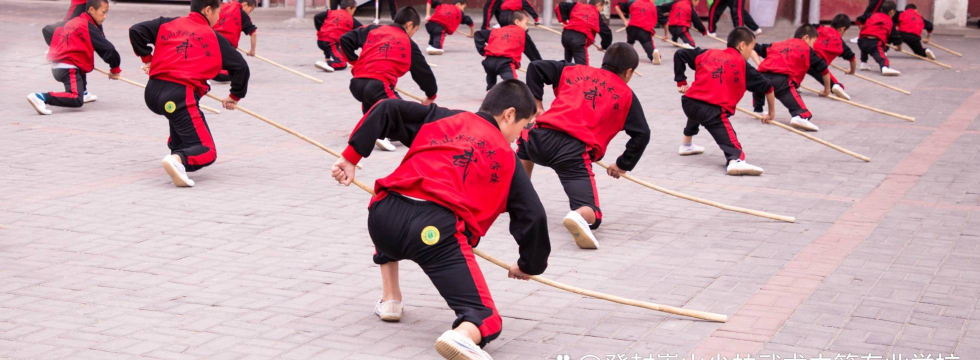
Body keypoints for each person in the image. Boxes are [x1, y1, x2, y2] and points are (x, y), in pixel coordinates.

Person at [330, 80, 550, 360]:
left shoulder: (442, 117)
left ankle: (391, 300)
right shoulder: (507, 158)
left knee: (395, 219)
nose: (520, 135)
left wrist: (351, 157)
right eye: (524, 125)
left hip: (382, 219)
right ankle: (462, 336)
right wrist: (529, 264)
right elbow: (534, 214)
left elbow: (386, 108)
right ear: (509, 115)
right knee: (485, 319)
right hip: (433, 234)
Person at [519, 43, 650, 249]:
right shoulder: (626, 96)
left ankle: (518, 192)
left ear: (604, 61)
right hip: (573, 154)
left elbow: (535, 66)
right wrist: (623, 164)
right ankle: (580, 215)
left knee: (525, 136)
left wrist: (537, 107)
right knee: (592, 214)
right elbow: (642, 134)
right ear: (628, 72)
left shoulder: (573, 70)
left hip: (539, 140)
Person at [129, 0, 251, 187]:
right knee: (207, 150)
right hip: (178, 95)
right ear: (208, 10)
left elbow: (136, 30)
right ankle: (178, 160)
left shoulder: (167, 23)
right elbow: (241, 67)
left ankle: (177, 156)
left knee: (180, 121)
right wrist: (234, 96)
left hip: (153, 93)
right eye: (217, 13)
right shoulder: (213, 37)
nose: (218, 19)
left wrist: (148, 59)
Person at [674, 27, 775, 176]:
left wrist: (681, 82)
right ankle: (735, 160)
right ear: (742, 45)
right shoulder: (743, 65)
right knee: (731, 142)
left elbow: (680, 54)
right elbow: (768, 87)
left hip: (689, 103)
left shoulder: (707, 53)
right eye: (751, 48)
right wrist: (771, 113)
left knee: (698, 107)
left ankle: (686, 144)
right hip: (712, 112)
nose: (751, 52)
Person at [337, 6, 438, 152]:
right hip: (378, 86)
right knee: (403, 112)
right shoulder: (408, 43)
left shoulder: (373, 29)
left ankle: (379, 130)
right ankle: (378, 134)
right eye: (414, 31)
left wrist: (355, 62)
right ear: (409, 25)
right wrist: (431, 94)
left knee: (374, 106)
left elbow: (345, 39)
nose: (413, 35)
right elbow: (423, 74)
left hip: (357, 85)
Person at [29, 0, 121, 116]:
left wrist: (57, 50)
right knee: (76, 98)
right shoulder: (86, 26)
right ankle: (41, 97)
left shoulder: (75, 21)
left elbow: (48, 30)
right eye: (103, 12)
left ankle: (83, 91)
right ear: (91, 10)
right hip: (67, 68)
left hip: (61, 66)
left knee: (83, 64)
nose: (105, 16)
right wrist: (115, 69)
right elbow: (108, 49)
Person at [751, 24, 831, 132]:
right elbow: (824, 70)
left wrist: (759, 64)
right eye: (813, 42)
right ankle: (799, 117)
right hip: (781, 82)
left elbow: (752, 47)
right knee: (801, 111)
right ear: (806, 38)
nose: (813, 46)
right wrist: (827, 90)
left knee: (760, 83)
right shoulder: (807, 50)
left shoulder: (778, 44)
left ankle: (758, 109)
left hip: (761, 77)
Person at [474, 11, 542, 90]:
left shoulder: (497, 30)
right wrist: (541, 67)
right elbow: (533, 53)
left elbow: (478, 34)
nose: (526, 27)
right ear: (517, 22)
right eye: (525, 23)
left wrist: (484, 52)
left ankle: (490, 89)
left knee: (491, 76)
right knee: (513, 84)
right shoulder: (522, 34)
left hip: (488, 62)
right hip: (504, 64)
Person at [811, 14, 857, 100]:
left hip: (805, 55)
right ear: (842, 29)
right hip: (819, 65)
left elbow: (806, 29)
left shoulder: (819, 27)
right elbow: (852, 58)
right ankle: (835, 86)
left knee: (795, 72)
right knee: (835, 84)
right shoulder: (840, 43)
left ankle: (792, 83)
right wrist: (852, 71)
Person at [555, 0, 612, 65]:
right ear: (599, 5)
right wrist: (604, 46)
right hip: (579, 40)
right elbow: (606, 32)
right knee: (582, 69)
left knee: (567, 64)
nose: (601, 11)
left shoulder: (577, 6)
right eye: (602, 8)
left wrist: (564, 21)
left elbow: (560, 6)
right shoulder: (595, 13)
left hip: (566, 36)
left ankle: (566, 72)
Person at [212, 0, 257, 82]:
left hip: (211, 39)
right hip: (226, 45)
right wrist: (252, 51)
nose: (249, 13)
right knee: (237, 68)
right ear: (245, 4)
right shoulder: (241, 14)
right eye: (250, 10)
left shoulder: (222, 6)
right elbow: (253, 33)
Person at [314, 0, 363, 72]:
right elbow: (362, 29)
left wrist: (320, 29)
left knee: (334, 43)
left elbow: (316, 17)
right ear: (349, 8)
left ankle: (327, 58)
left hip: (320, 40)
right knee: (342, 64)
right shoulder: (350, 19)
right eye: (354, 9)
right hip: (331, 43)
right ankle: (328, 64)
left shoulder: (331, 12)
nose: (354, 12)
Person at [857, 1, 900, 76]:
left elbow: (859, 19)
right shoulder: (890, 21)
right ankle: (884, 67)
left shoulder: (871, 15)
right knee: (881, 56)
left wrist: (861, 27)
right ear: (892, 11)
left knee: (865, 48)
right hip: (875, 43)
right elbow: (895, 37)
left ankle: (863, 63)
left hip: (861, 41)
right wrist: (898, 46)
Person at [614, 0, 662, 64]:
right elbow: (658, 20)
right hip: (644, 31)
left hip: (631, 29)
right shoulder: (653, 6)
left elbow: (617, 7)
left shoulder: (633, 3)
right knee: (648, 45)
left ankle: (627, 55)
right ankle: (653, 56)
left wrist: (625, 20)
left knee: (630, 42)